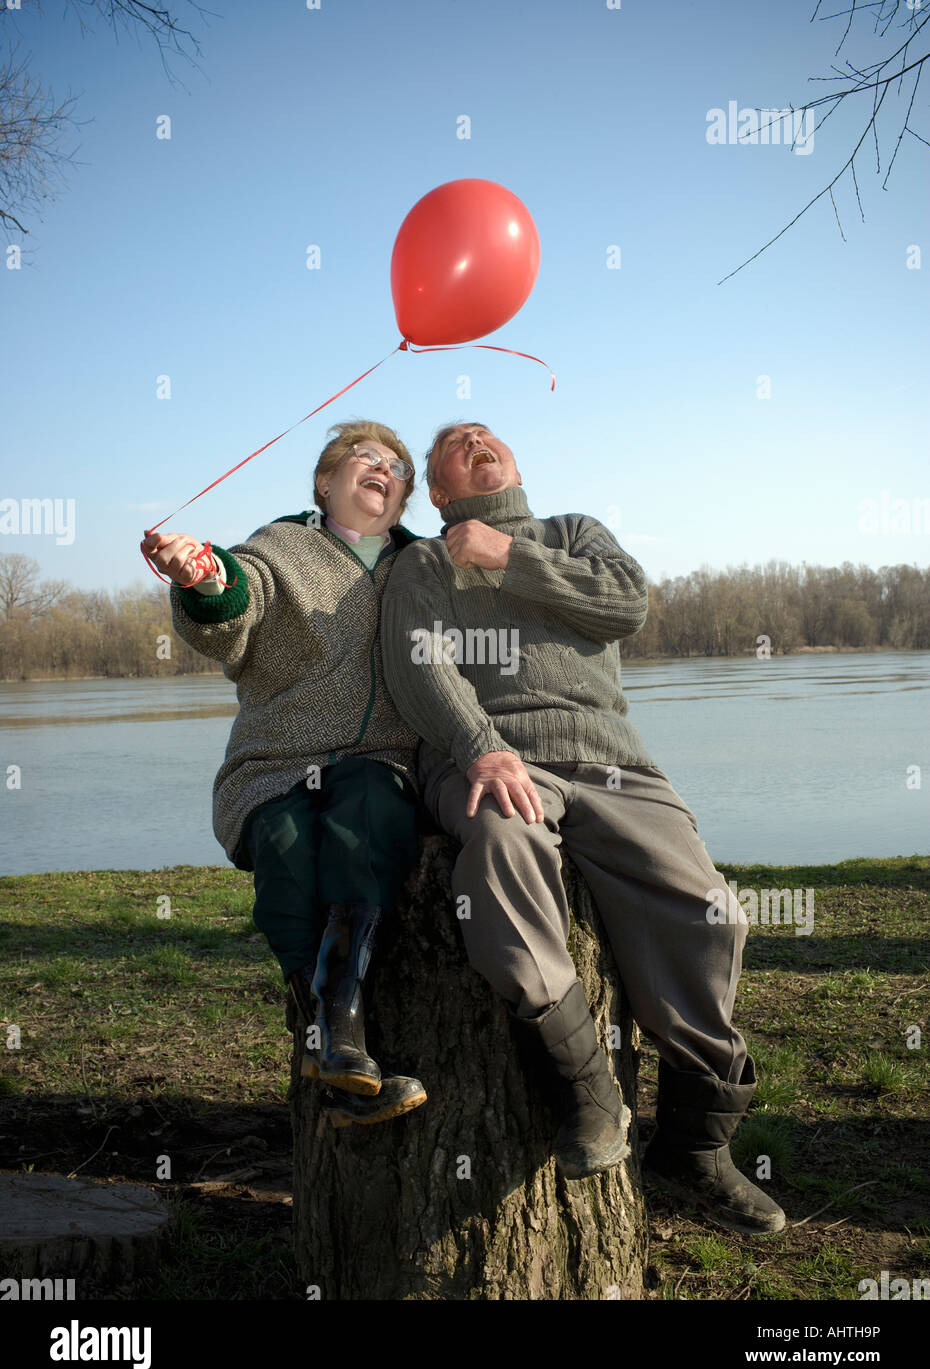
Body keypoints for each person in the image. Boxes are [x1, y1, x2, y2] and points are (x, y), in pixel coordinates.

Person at [380, 422, 785, 1233]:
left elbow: (624, 606)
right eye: (457, 445)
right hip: (489, 756)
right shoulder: (421, 562)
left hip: (613, 763)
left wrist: (506, 555)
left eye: (487, 435)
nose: (476, 441)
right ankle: (588, 1091)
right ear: (438, 489)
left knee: (712, 912)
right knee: (501, 847)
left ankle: (696, 1145)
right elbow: (417, 660)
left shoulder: (573, 535)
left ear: (516, 463)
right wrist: (481, 749)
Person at [141, 421, 427, 1129]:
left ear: (401, 499)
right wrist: (203, 577)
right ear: (325, 482)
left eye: (397, 467)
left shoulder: (422, 564)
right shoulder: (280, 547)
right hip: (275, 761)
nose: (382, 468)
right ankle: (338, 1041)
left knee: (368, 825)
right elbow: (235, 603)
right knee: (289, 850)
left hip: (381, 755)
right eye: (365, 458)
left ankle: (336, 1038)